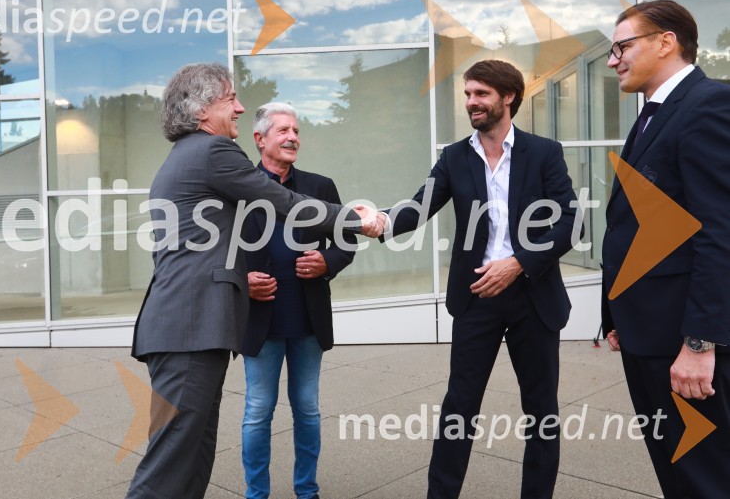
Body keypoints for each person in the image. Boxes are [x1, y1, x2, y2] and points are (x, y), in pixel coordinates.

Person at [125, 63, 378, 499]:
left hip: (192, 327)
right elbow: (282, 200)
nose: (240, 107)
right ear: (203, 109)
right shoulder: (211, 152)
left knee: (193, 458)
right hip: (189, 328)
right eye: (230, 99)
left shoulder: (187, 156)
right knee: (168, 465)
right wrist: (356, 219)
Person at [383, 60, 579, 499]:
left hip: (533, 295)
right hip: (477, 298)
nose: (471, 102)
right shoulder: (454, 157)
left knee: (541, 409)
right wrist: (378, 221)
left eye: (480, 94)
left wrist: (518, 262)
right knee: (459, 406)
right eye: (468, 94)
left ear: (507, 97)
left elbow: (570, 222)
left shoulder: (544, 152)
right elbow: (419, 206)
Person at [602, 0, 730, 498]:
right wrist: (615, 314)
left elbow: (719, 233)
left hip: (684, 344)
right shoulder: (653, 115)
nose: (614, 60)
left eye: (622, 46)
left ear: (665, 41)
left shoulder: (708, 105)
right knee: (677, 471)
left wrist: (700, 344)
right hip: (648, 336)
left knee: (705, 477)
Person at [239, 103, 356, 499]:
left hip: (308, 317)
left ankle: (307, 490)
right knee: (258, 411)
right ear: (260, 139)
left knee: (307, 408)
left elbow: (347, 240)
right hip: (260, 318)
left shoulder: (320, 186)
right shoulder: (237, 187)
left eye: (296, 130)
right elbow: (214, 248)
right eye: (283, 130)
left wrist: (328, 262)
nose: (293, 137)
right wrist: (241, 280)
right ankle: (258, 494)